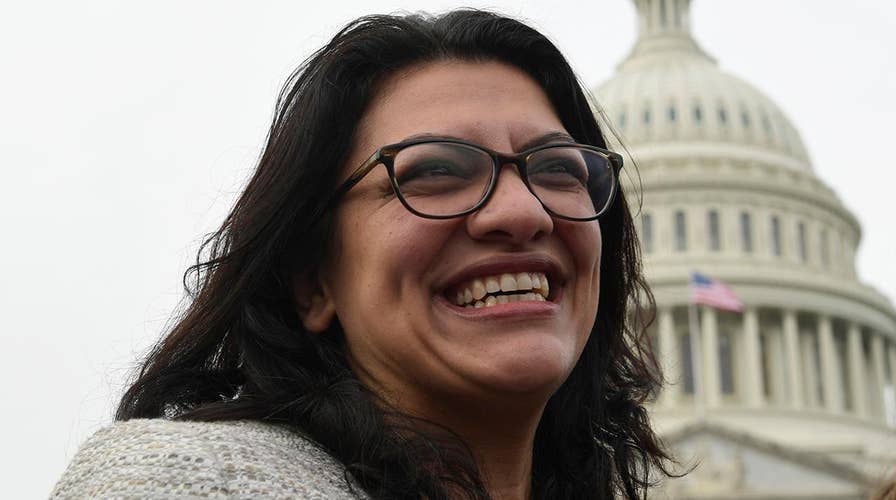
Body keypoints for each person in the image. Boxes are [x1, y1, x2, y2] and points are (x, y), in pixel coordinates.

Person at [53, 9, 671, 499]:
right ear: (311, 281)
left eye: (558, 168)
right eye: (435, 172)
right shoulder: (191, 482)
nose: (522, 212)